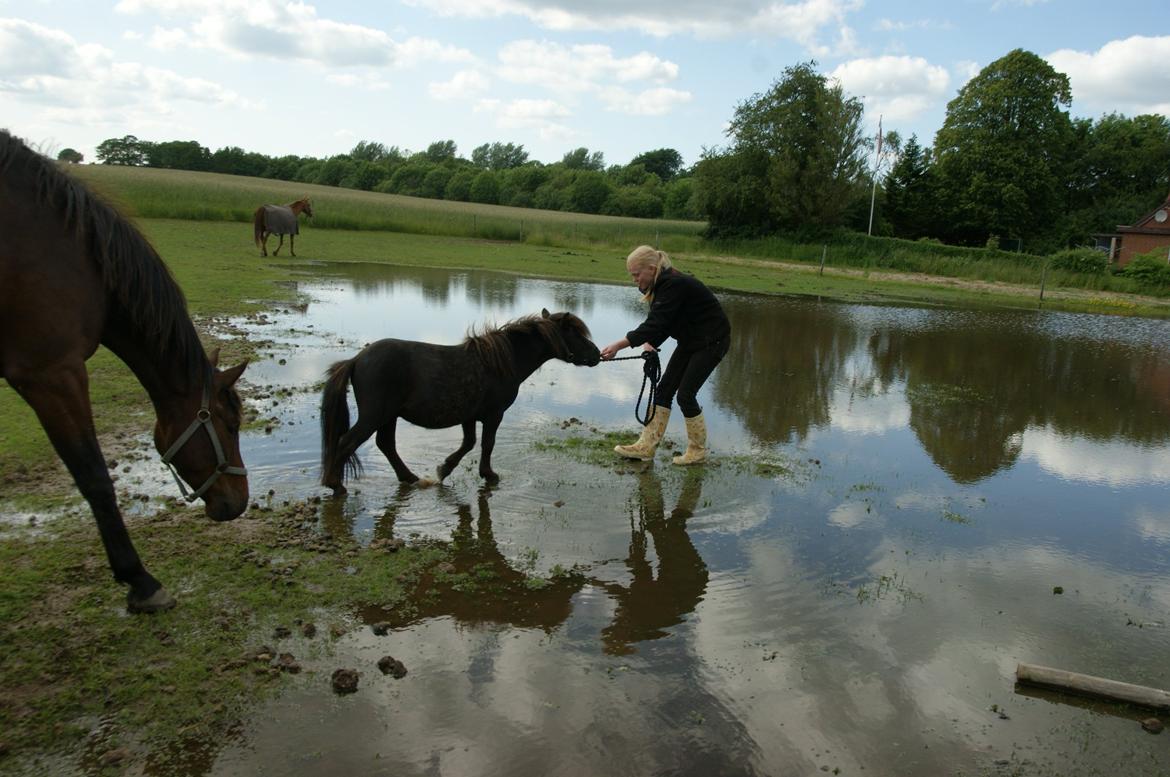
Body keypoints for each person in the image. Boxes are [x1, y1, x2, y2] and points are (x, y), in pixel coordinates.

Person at [600, 245, 730, 465]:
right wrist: (650, 344)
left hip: (712, 341)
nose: (634, 280)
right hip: (691, 340)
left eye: (636, 274)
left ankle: (697, 452)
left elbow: (656, 323)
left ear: (651, 268)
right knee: (663, 391)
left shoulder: (673, 284)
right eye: (632, 275)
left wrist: (619, 345)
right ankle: (646, 447)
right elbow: (664, 323)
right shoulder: (660, 285)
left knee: (685, 395)